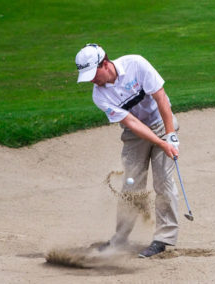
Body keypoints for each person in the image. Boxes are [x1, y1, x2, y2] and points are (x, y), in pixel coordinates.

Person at [75, 43, 180, 258]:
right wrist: (161, 144)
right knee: (131, 187)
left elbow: (161, 98)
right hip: (134, 136)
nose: (92, 81)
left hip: (161, 123)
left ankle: (163, 239)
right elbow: (132, 123)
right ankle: (120, 238)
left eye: (93, 74)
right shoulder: (100, 96)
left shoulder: (136, 64)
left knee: (164, 182)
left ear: (105, 63)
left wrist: (170, 136)